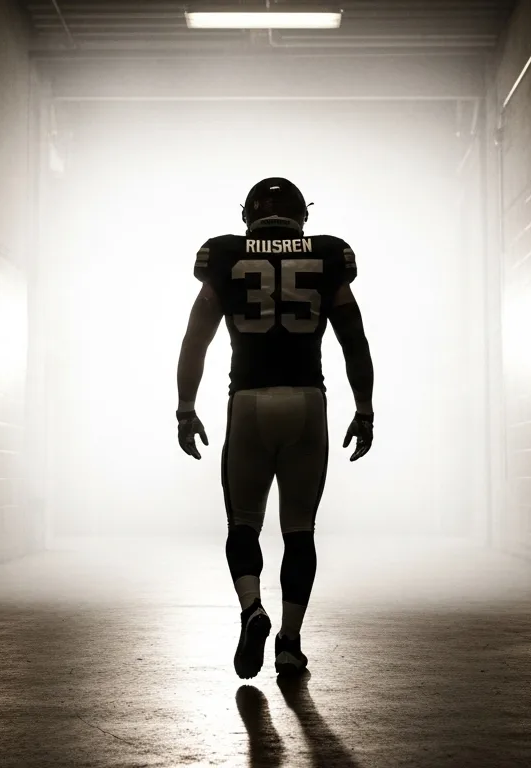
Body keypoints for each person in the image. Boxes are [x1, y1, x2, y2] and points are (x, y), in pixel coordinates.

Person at [174, 177, 375, 679]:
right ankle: (289, 642)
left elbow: (196, 338)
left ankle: (251, 609)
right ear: (301, 216)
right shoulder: (328, 255)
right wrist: (365, 408)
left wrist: (185, 406)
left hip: (248, 400)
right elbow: (354, 338)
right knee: (300, 531)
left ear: (249, 216)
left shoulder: (225, 254)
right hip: (308, 400)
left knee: (243, 524)